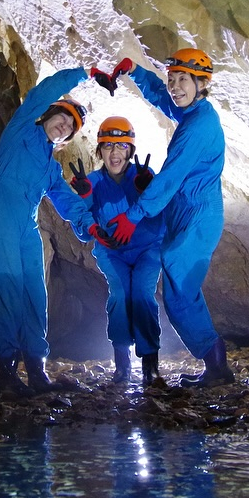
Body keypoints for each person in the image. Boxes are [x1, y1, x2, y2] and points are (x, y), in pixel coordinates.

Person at [97, 49, 234, 386]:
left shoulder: (198, 126)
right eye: (172, 79)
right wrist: (136, 72)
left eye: (182, 80)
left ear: (202, 83)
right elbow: (163, 99)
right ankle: (215, 366)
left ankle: (218, 367)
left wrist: (134, 215)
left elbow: (170, 178)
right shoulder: (193, 113)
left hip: (198, 217)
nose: (174, 87)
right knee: (178, 289)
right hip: (185, 213)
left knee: (180, 292)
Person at [0, 67, 96, 396]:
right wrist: (83, 73)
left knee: (35, 295)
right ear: (48, 115)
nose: (64, 126)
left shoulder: (50, 167)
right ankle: (6, 373)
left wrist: (90, 226)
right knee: (7, 290)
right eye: (63, 119)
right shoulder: (22, 128)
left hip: (26, 224)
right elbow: (43, 91)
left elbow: (67, 200)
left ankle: (37, 370)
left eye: (70, 129)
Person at [70, 116, 165, 386]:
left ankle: (150, 366)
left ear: (130, 151)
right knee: (122, 295)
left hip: (147, 248)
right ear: (99, 151)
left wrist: (150, 190)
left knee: (143, 295)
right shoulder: (91, 183)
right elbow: (81, 230)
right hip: (112, 251)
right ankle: (122, 366)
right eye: (108, 145)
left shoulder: (143, 177)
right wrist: (86, 199)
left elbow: (162, 214)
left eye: (122, 146)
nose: (115, 152)